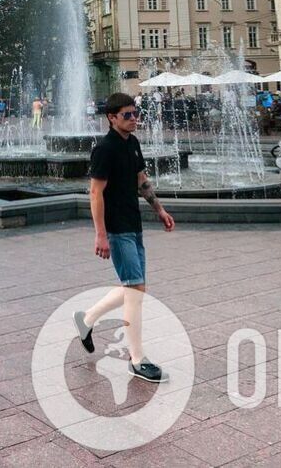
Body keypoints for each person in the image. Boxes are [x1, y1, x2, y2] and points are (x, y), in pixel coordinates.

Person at [75, 93, 176, 384]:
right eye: (128, 115)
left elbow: (141, 180)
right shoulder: (104, 149)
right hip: (116, 228)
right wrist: (101, 234)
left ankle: (87, 319)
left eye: (135, 113)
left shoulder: (132, 143)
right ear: (112, 117)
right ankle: (137, 359)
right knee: (135, 291)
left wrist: (159, 209)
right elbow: (95, 193)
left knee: (135, 288)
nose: (135, 119)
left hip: (134, 223)